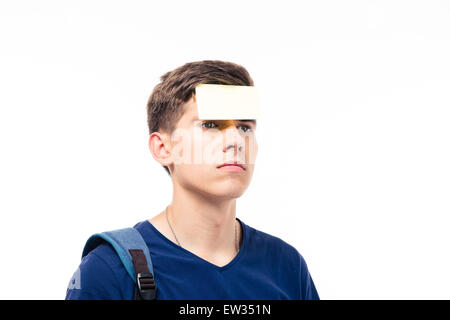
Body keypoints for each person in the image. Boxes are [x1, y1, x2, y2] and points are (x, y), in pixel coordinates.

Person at [65, 60, 319, 300]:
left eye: (245, 127)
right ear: (163, 148)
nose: (236, 141)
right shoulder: (110, 270)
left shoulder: (287, 266)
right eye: (210, 124)